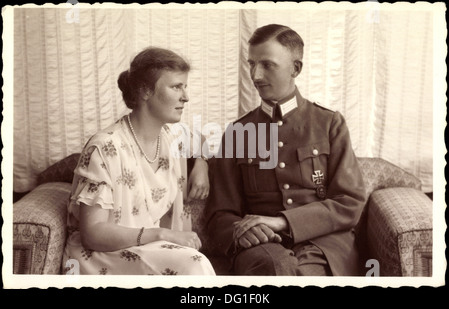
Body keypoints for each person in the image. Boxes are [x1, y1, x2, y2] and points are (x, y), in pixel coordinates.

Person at [206, 24, 366, 276]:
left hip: (322, 243)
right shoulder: (238, 131)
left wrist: (283, 221)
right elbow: (220, 214)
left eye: (268, 65)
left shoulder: (328, 123)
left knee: (306, 275)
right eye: (251, 63)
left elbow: (350, 202)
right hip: (261, 247)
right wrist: (241, 230)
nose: (256, 75)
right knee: (275, 267)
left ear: (296, 68)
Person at [62, 47, 215, 275]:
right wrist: (162, 234)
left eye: (185, 86)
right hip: (103, 255)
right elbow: (92, 234)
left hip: (147, 247)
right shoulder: (104, 148)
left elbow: (200, 139)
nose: (186, 96)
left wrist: (201, 164)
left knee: (192, 264)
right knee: (194, 265)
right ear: (145, 91)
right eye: (176, 87)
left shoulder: (172, 136)